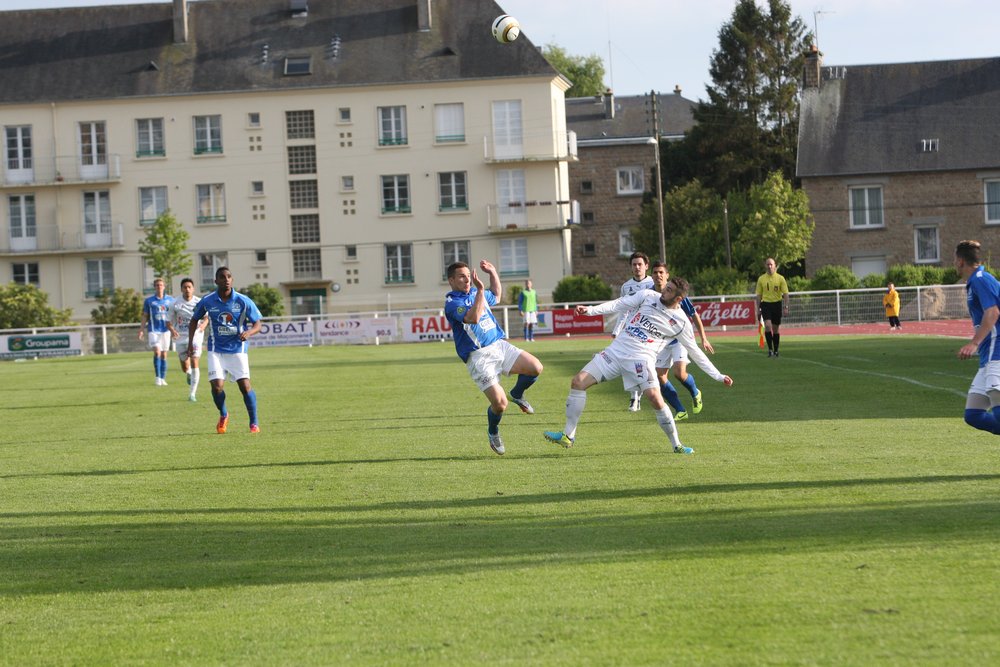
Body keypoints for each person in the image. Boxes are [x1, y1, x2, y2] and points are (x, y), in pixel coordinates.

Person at [543, 275, 734, 454]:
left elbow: (695, 351)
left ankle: (677, 445)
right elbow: (619, 304)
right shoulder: (648, 296)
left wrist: (718, 375)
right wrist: (591, 310)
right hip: (615, 353)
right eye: (666, 288)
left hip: (641, 360)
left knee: (655, 398)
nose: (663, 292)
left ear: (678, 299)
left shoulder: (681, 322)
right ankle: (568, 436)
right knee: (578, 382)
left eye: (669, 291)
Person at [445, 260, 544, 456]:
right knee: (500, 405)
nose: (466, 280)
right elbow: (472, 318)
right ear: (451, 280)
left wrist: (492, 272)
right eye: (461, 276)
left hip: (499, 346)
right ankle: (493, 431)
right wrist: (481, 291)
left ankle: (517, 393)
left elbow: (497, 295)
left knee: (535, 367)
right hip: (479, 357)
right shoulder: (452, 303)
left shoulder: (475, 292)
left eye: (467, 275)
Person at [189, 267, 263, 434]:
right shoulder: (208, 301)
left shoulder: (243, 300)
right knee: (217, 387)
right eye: (222, 277)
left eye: (229, 276)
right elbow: (194, 320)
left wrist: (249, 332)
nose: (226, 280)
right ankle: (223, 414)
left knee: (244, 386)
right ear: (216, 281)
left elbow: (258, 324)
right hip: (216, 349)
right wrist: (190, 344)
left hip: (238, 348)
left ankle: (254, 423)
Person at [650, 261, 715, 420]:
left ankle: (695, 392)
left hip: (679, 339)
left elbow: (694, 315)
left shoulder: (676, 292)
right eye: (655, 272)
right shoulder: (649, 294)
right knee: (659, 377)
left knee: (679, 373)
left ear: (667, 275)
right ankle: (680, 410)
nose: (658, 275)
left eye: (661, 272)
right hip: (662, 342)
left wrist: (704, 338)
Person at [955, 241, 1000, 435]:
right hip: (987, 357)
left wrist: (974, 343)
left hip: (996, 353)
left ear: (960, 261)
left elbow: (992, 312)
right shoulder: (975, 281)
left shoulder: (981, 279)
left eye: (954, 259)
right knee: (973, 414)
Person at [614, 251, 655, 411]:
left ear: (646, 266)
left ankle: (643, 395)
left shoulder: (654, 283)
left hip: (651, 332)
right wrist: (617, 330)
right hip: (631, 331)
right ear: (631, 267)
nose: (637, 267)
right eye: (634, 264)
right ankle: (634, 397)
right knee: (629, 364)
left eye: (640, 264)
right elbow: (623, 310)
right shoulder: (626, 287)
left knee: (647, 366)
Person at [168, 277, 208, 402]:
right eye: (185, 287)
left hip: (196, 336)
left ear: (193, 288)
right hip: (181, 337)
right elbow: (168, 322)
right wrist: (173, 330)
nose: (187, 289)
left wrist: (202, 326)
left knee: (194, 362)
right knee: (185, 367)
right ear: (181, 289)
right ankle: (188, 373)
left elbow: (207, 317)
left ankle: (192, 394)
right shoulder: (174, 303)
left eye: (189, 287)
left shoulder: (199, 302)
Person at [139, 277, 174, 386]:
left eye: (161, 285)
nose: (159, 287)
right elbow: (145, 316)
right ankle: (157, 377)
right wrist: (141, 329)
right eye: (157, 285)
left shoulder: (170, 300)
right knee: (157, 352)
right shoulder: (149, 301)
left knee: (164, 354)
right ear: (154, 287)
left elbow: (175, 314)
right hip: (154, 330)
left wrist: (174, 329)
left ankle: (163, 378)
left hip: (166, 330)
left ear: (164, 286)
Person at [755, 257, 790, 357]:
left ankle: (776, 350)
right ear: (765, 266)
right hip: (766, 304)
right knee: (768, 326)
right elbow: (758, 295)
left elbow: (786, 294)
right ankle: (770, 349)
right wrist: (758, 309)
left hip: (777, 304)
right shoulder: (761, 279)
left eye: (771, 264)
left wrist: (786, 306)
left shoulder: (780, 278)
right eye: (768, 264)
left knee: (775, 329)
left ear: (775, 266)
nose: (769, 266)